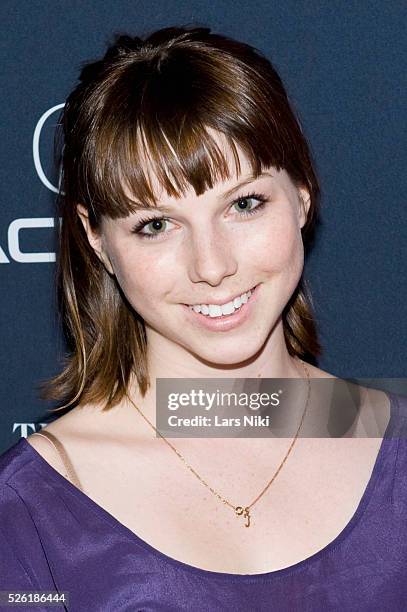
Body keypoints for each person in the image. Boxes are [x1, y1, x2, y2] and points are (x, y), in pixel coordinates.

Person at [0, 25, 406, 612]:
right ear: (96, 239)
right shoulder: (29, 515)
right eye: (155, 225)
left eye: (244, 204)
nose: (211, 266)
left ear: (303, 192)